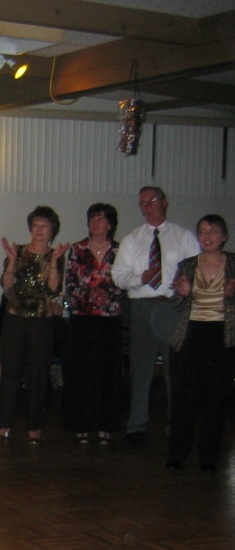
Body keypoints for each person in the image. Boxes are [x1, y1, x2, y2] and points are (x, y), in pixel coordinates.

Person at [111, 187, 199, 448]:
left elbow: (197, 269)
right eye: (142, 203)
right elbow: (119, 276)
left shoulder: (183, 236)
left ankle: (178, 427)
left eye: (152, 201)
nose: (147, 206)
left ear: (165, 202)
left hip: (173, 306)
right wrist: (141, 278)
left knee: (176, 370)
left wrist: (185, 284)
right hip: (143, 307)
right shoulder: (132, 239)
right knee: (141, 370)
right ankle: (136, 428)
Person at [0, 206, 68, 444]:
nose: (39, 230)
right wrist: (12, 261)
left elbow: (53, 289)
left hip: (41, 320)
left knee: (37, 374)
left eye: (44, 226)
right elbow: (6, 285)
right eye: (35, 225)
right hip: (14, 318)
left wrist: (53, 262)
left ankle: (34, 427)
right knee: (10, 372)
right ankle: (4, 425)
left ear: (52, 230)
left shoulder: (55, 255)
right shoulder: (19, 251)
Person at [166, 215, 235, 472]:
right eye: (203, 231)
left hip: (223, 338)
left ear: (224, 236)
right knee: (184, 399)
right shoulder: (187, 265)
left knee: (216, 400)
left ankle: (208, 458)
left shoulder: (234, 263)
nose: (207, 236)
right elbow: (175, 303)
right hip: (190, 336)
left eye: (213, 231)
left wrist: (232, 297)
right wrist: (183, 294)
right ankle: (177, 454)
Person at [62, 203, 125, 445]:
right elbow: (69, 283)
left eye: (100, 219)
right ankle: (81, 425)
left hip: (109, 318)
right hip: (82, 317)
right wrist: (88, 296)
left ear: (110, 224)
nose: (95, 223)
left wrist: (107, 294)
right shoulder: (78, 248)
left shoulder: (120, 250)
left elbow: (125, 282)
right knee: (81, 372)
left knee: (107, 373)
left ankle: (105, 426)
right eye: (92, 219)